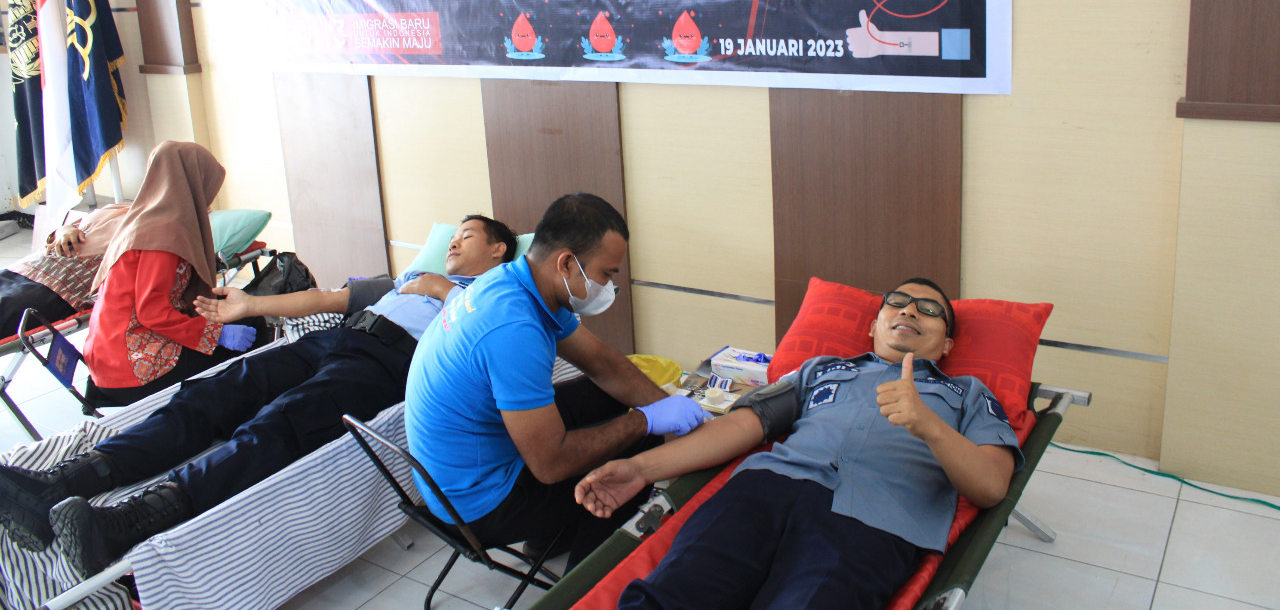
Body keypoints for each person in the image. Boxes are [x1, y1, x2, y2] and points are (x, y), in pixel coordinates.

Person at [0, 214, 517, 582]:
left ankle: (127, 523)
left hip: (386, 363)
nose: (453, 241)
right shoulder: (409, 277)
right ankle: (69, 480)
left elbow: (490, 343)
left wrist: (445, 291)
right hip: (333, 337)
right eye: (453, 234)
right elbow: (326, 298)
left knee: (279, 425)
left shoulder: (498, 296)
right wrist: (251, 305)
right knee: (212, 394)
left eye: (468, 235)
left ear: (498, 250)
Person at [574, 279, 1024, 610]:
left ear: (946, 344)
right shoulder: (821, 369)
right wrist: (642, 469)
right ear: (873, 327)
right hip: (762, 494)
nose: (909, 311)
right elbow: (745, 425)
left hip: (872, 522)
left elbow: (990, 486)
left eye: (928, 310)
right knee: (670, 596)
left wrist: (929, 426)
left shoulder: (969, 394)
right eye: (897, 302)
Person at [405, 193, 710, 570]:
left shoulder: (516, 283)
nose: (608, 286)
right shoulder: (514, 327)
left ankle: (550, 537)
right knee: (635, 453)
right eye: (606, 274)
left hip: (465, 462)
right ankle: (584, 584)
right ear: (566, 263)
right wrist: (646, 421)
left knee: (607, 395)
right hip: (477, 503)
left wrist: (668, 406)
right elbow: (550, 465)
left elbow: (603, 364)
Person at [81, 141, 255, 406]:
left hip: (109, 358)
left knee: (234, 317)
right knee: (254, 331)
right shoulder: (164, 234)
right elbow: (152, 312)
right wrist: (216, 334)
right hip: (130, 368)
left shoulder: (144, 217)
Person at [0, 202, 130, 339]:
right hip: (24, 268)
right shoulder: (114, 208)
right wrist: (65, 231)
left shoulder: (143, 228)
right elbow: (65, 229)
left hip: (56, 288)